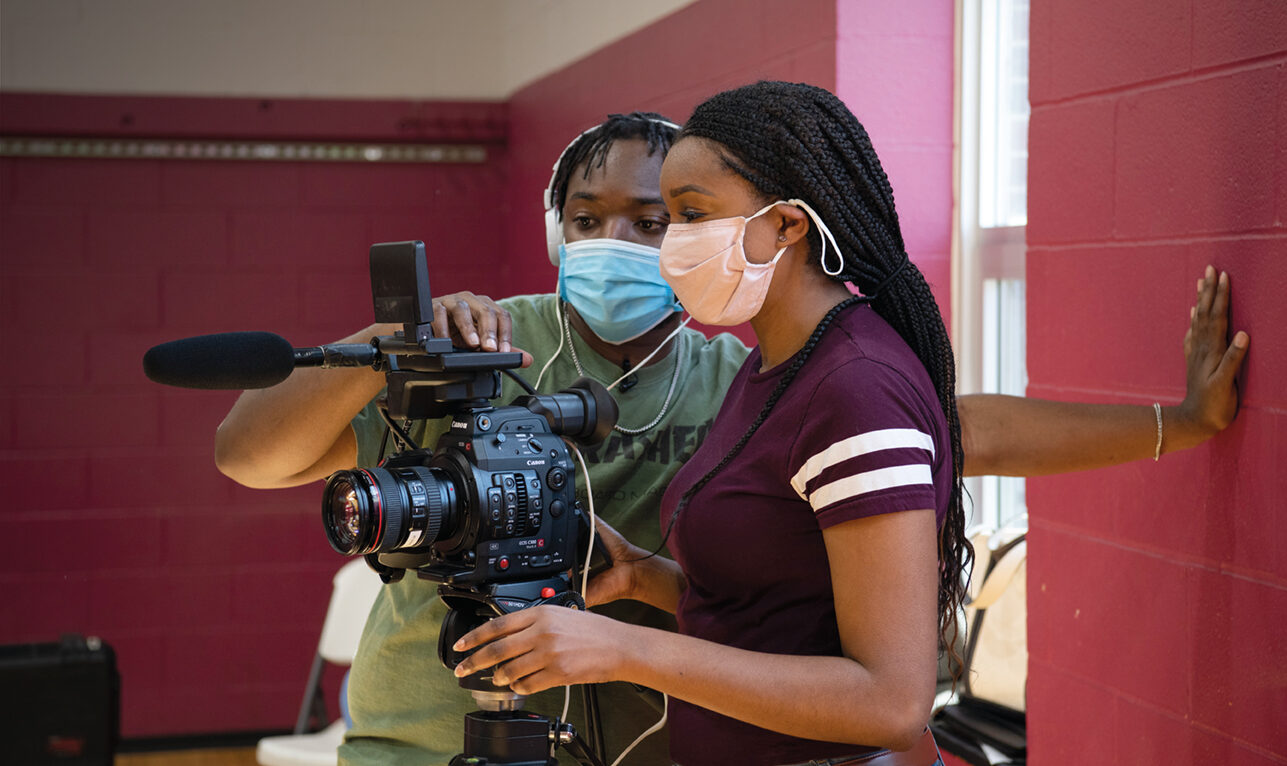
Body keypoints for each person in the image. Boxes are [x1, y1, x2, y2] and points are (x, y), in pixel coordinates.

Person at [214, 108, 1247, 765]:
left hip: (639, 742)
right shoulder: (483, 343)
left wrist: (1178, 421)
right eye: (586, 217)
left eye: (655, 218)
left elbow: (955, 424)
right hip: (437, 735)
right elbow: (250, 455)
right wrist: (396, 338)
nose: (613, 243)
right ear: (553, 228)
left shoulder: (748, 373)